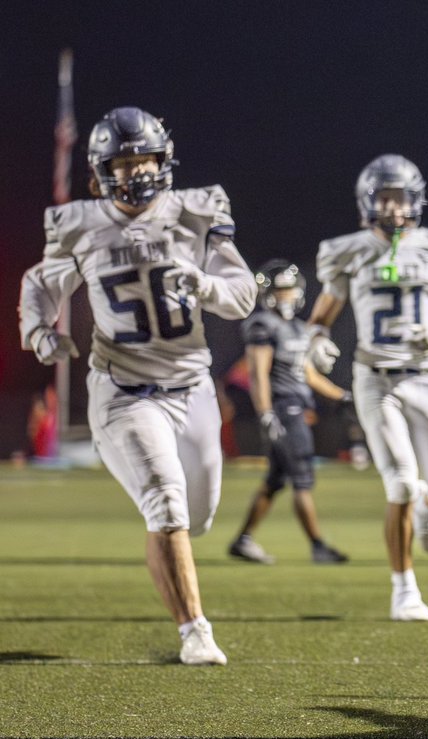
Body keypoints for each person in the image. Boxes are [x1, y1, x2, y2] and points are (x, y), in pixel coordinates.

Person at [18, 106, 257, 664]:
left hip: (192, 389)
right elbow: (41, 282)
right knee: (166, 506)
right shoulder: (81, 222)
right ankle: (195, 630)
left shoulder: (196, 211)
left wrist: (202, 283)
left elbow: (242, 293)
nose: (133, 173)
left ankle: (175, 569)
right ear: (102, 171)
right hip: (124, 391)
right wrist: (38, 330)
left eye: (143, 159)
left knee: (196, 518)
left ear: (164, 159)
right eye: (121, 164)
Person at [305, 154, 428, 621]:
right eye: (386, 198)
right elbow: (321, 317)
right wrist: (316, 343)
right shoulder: (349, 250)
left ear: (416, 200)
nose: (394, 208)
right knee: (397, 482)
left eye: (401, 198)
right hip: (374, 379)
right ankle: (404, 590)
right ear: (369, 201)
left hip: (425, 378)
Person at [228, 259, 352, 565]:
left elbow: (308, 375)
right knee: (302, 479)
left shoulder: (298, 327)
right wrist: (266, 413)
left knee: (275, 481)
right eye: (281, 290)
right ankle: (318, 545)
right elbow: (258, 373)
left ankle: (243, 541)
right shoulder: (262, 325)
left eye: (290, 289)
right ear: (268, 293)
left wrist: (344, 397)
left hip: (297, 406)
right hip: (283, 409)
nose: (287, 296)